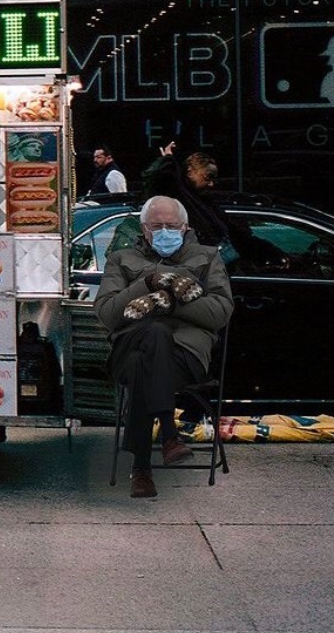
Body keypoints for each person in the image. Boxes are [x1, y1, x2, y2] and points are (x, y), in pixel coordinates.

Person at [95, 195, 233, 499]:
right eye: (157, 226)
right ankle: (169, 434)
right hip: (128, 346)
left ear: (185, 227)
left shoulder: (207, 257)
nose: (165, 231)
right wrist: (147, 283)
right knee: (151, 339)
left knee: (145, 354)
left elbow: (220, 313)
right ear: (144, 230)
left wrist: (168, 304)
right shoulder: (121, 259)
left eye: (172, 225)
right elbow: (106, 314)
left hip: (185, 355)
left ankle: (142, 469)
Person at [140, 142, 288, 269]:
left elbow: (237, 236)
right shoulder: (179, 197)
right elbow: (159, 180)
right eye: (208, 177)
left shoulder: (204, 202)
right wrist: (167, 161)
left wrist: (272, 253)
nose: (211, 184)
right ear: (191, 172)